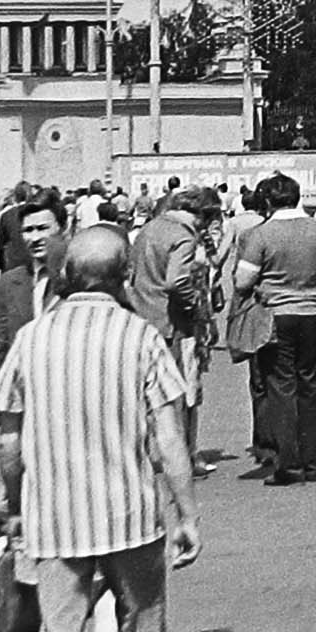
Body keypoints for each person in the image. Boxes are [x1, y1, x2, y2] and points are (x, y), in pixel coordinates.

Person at [0, 227, 209, 632]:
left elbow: (8, 444)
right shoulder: (140, 338)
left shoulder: (31, 340)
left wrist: (16, 504)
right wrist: (186, 513)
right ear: (121, 278)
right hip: (131, 517)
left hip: (55, 520)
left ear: (65, 277)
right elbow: (168, 438)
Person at [232, 173, 316, 485]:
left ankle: (289, 464)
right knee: (309, 384)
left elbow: (242, 281)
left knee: (280, 387)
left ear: (266, 201)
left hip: (275, 314)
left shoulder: (260, 235)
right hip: (311, 313)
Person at [129, 185, 219, 464]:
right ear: (200, 215)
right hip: (172, 322)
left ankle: (148, 453)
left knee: (146, 392)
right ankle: (179, 455)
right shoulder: (183, 237)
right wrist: (194, 306)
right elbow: (176, 280)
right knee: (176, 392)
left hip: (142, 315)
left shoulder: (149, 229)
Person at [0, 198, 66, 449]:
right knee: (14, 472)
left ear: (61, 229)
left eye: (43, 228)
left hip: (70, 399)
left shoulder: (79, 277)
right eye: (28, 230)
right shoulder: (10, 282)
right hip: (24, 401)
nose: (34, 237)